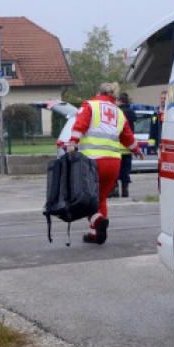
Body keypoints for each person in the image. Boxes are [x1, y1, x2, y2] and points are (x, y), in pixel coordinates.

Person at [65, 82, 142, 244]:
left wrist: (72, 143)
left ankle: (98, 220)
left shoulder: (90, 105)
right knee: (101, 198)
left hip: (92, 162)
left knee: (84, 197)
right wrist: (137, 149)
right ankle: (96, 234)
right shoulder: (119, 112)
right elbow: (127, 137)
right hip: (113, 163)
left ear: (98, 92)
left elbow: (80, 125)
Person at [114, 92, 138, 198]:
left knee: (115, 171)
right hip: (128, 147)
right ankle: (125, 190)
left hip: (117, 147)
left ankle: (114, 190)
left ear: (119, 100)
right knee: (126, 171)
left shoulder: (116, 112)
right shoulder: (132, 112)